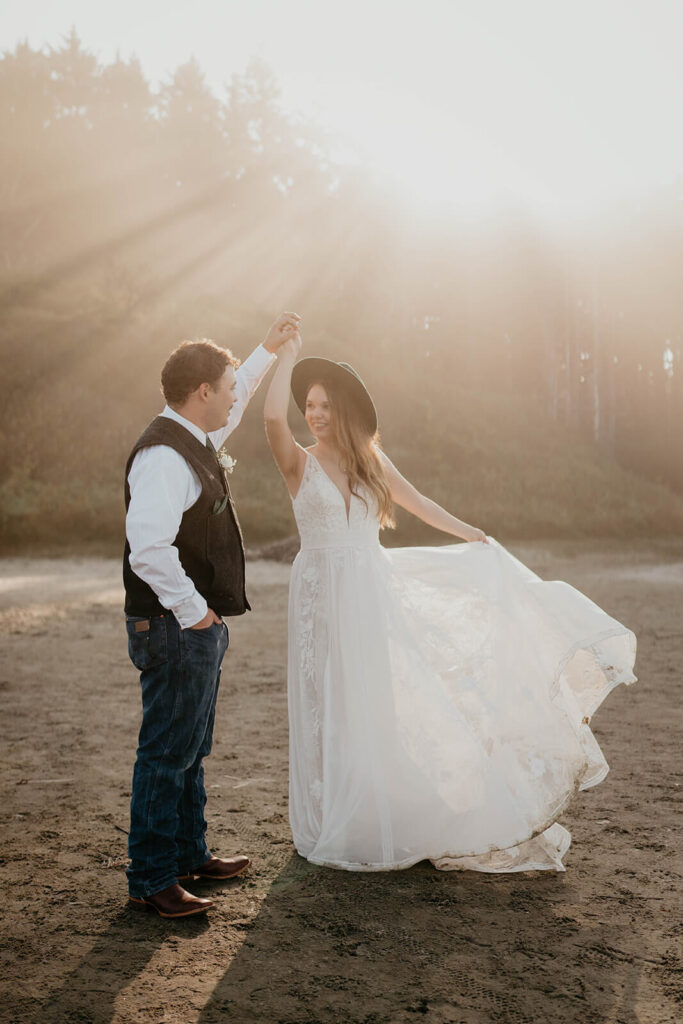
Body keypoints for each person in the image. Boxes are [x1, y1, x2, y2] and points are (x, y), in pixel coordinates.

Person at [264, 333, 637, 873]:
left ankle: (380, 809)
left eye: (323, 406)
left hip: (371, 594)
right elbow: (273, 420)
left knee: (376, 702)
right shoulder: (298, 464)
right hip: (321, 598)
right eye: (309, 406)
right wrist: (287, 359)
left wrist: (471, 534)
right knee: (331, 702)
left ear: (343, 410)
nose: (313, 415)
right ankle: (334, 815)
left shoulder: (371, 462)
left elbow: (418, 503)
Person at [124, 311, 301, 918]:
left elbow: (242, 392)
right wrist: (196, 613)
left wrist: (265, 351)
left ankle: (188, 855)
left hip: (188, 629)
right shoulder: (164, 459)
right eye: (225, 388)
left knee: (190, 748)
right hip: (175, 629)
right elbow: (147, 547)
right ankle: (151, 878)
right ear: (203, 394)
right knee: (167, 752)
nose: (233, 397)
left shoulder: (194, 439)